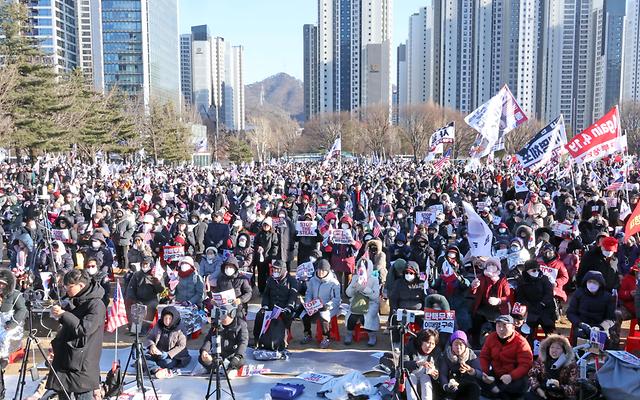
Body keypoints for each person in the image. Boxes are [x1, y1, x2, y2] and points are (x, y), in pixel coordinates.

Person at [47, 269, 106, 400]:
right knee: (63, 393)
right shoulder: (74, 300)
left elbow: (83, 329)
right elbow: (68, 324)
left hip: (82, 362)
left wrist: (64, 314)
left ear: (81, 285)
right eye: (65, 286)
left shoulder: (96, 305)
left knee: (83, 395)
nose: (66, 289)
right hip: (65, 358)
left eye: (69, 286)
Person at [479, 315, 533, 400]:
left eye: (505, 326)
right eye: (499, 325)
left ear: (513, 327)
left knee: (517, 387)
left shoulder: (521, 342)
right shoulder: (491, 337)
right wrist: (485, 372)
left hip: (513, 377)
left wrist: (511, 376)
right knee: (478, 378)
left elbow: (525, 364)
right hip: (495, 374)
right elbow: (484, 356)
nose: (501, 329)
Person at [567, 271, 616, 347]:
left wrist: (601, 327)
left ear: (600, 283)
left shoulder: (607, 297)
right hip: (582, 325)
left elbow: (611, 318)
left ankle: (595, 357)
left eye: (595, 282)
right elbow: (570, 312)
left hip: (599, 327)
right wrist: (580, 323)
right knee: (581, 343)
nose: (592, 284)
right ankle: (580, 357)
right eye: (590, 281)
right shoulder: (579, 293)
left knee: (597, 349)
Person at [254, 260, 298, 346]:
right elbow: (266, 294)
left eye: (278, 270)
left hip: (285, 308)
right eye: (274, 269)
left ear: (283, 270)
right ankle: (257, 338)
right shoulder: (270, 279)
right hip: (271, 308)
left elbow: (293, 296)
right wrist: (265, 306)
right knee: (259, 315)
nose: (275, 272)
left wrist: (288, 307)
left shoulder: (292, 281)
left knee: (285, 317)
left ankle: (283, 339)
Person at [470, 258, 511, 348]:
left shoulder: (503, 279)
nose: (491, 267)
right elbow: (473, 292)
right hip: (483, 307)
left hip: (498, 309)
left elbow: (507, 297)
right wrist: (474, 286)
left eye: (493, 265)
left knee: (498, 325)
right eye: (489, 265)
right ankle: (476, 344)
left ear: (498, 268)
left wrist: (499, 300)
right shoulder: (481, 277)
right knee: (476, 321)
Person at [301, 259, 341, 348]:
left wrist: (328, 306)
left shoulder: (334, 283)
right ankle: (307, 334)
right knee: (304, 315)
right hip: (315, 305)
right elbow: (309, 293)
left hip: (328, 307)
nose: (320, 272)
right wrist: (308, 304)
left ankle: (326, 337)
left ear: (327, 271)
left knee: (324, 315)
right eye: (319, 270)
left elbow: (336, 299)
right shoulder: (312, 280)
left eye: (323, 271)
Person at [526, 334, 579, 400]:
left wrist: (559, 387)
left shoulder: (571, 364)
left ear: (564, 350)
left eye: (558, 348)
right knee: (528, 396)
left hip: (562, 396)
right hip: (543, 392)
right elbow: (532, 375)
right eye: (552, 347)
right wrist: (538, 388)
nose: (554, 350)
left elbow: (575, 387)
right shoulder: (541, 360)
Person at [199, 304, 248, 374]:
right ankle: (215, 368)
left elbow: (243, 342)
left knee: (239, 361)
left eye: (224, 316)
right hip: (219, 353)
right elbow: (209, 338)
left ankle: (230, 369)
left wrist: (237, 356)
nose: (222, 319)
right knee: (202, 358)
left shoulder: (241, 324)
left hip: (233, 354)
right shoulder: (217, 323)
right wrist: (204, 351)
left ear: (232, 315)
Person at [144, 306, 192, 378]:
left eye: (170, 319)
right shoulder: (158, 325)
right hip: (158, 352)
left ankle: (153, 367)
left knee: (166, 363)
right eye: (165, 318)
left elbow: (181, 346)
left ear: (174, 319)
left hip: (174, 356)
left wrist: (168, 354)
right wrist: (152, 346)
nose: (167, 321)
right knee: (142, 359)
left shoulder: (180, 328)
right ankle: (157, 370)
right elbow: (150, 337)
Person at [0, 269, 26, 398]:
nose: (0, 286)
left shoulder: (15, 295)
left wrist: (12, 324)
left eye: (3, 284)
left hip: (7, 328)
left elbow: (22, 310)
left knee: (4, 342)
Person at [515, 260, 557, 339]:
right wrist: (529, 307)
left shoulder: (544, 279)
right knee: (527, 333)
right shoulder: (521, 281)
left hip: (545, 309)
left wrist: (542, 303)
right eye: (533, 270)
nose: (536, 272)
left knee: (549, 333)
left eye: (538, 269)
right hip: (530, 311)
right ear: (527, 271)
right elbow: (520, 297)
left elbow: (549, 293)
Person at [344, 258, 380, 347]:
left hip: (370, 304)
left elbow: (375, 296)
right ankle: (349, 334)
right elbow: (348, 293)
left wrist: (365, 289)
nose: (361, 269)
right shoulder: (355, 277)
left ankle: (372, 336)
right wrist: (353, 287)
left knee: (366, 318)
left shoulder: (374, 280)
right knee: (352, 317)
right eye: (360, 267)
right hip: (356, 303)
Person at [125, 256, 165, 333]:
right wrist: (133, 299)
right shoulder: (137, 275)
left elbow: (161, 290)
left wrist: (157, 282)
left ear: (151, 264)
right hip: (139, 298)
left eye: (146, 264)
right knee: (136, 308)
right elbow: (131, 288)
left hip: (152, 299)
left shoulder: (156, 275)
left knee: (150, 307)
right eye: (143, 264)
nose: (145, 265)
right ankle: (135, 329)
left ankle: (145, 328)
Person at [439, 331, 482, 400]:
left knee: (475, 388)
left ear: (465, 345)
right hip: (453, 384)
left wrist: (471, 370)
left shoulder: (471, 355)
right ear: (451, 345)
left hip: (468, 385)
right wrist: (446, 386)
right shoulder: (446, 355)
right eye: (456, 344)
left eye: (461, 344)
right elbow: (443, 374)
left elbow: (480, 373)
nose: (458, 347)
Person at [402, 328, 442, 400]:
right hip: (409, 378)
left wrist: (435, 375)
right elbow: (403, 364)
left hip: (425, 380)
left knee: (425, 378)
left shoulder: (437, 352)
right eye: (428, 342)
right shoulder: (410, 347)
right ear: (421, 341)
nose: (430, 346)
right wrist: (418, 363)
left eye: (433, 343)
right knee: (411, 377)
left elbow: (439, 370)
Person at [253, 217, 279, 294]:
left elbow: (275, 245)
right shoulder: (259, 234)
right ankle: (261, 290)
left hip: (269, 258)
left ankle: (270, 290)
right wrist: (258, 247)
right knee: (261, 275)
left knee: (270, 275)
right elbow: (255, 243)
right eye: (264, 225)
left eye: (267, 225)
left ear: (270, 226)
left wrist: (272, 256)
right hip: (260, 258)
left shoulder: (273, 235)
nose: (265, 227)